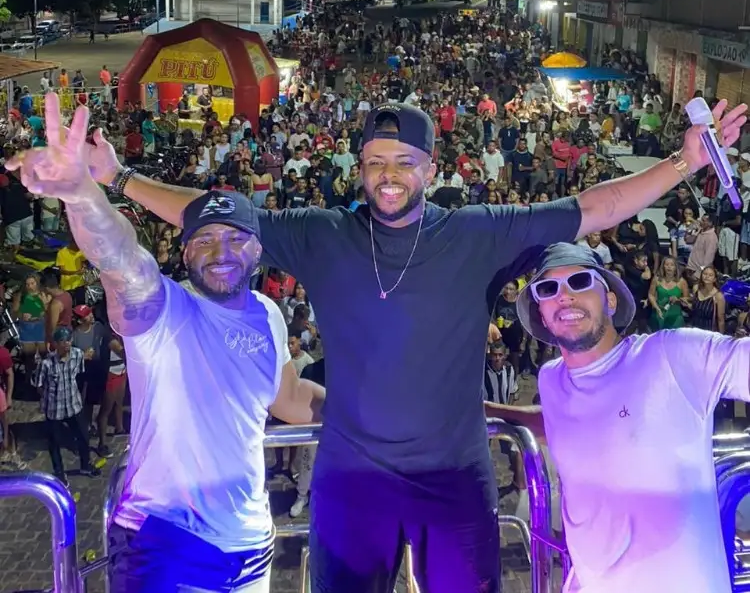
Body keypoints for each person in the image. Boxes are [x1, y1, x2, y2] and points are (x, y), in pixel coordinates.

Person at [38, 93, 745, 593]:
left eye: (404, 161)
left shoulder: (476, 232)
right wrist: (117, 179)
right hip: (351, 479)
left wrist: (682, 163)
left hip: (455, 478)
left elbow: (592, 208)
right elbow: (217, 219)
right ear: (360, 168)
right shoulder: (324, 235)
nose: (388, 175)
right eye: (375, 161)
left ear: (430, 169)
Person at [7, 96, 324, 593]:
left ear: (259, 249)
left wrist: (380, 417)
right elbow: (121, 261)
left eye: (235, 239)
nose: (220, 253)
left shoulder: (268, 314)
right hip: (167, 547)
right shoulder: (163, 311)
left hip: (251, 546)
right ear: (184, 250)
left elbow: (290, 398)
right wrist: (83, 195)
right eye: (204, 240)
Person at [495, 240, 750, 593]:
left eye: (580, 282)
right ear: (541, 313)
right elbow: (566, 424)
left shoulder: (672, 356)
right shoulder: (552, 380)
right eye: (548, 288)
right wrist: (484, 411)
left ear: (610, 300)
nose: (564, 296)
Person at [37, 326, 100, 486]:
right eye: (62, 341)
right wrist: (47, 398)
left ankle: (86, 466)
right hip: (54, 410)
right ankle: (59, 473)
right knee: (54, 443)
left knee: (83, 437)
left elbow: (78, 375)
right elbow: (38, 384)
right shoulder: (46, 364)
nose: (67, 344)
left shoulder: (77, 355)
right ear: (55, 344)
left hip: (73, 405)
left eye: (69, 340)